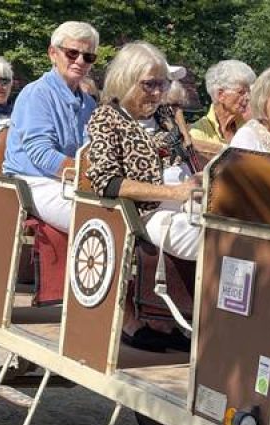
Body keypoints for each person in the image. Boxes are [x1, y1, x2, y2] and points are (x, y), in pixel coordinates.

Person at [86, 42, 200, 351]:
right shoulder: (107, 118)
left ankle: (178, 319)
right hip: (145, 213)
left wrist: (198, 179)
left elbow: (187, 156)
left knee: (233, 230)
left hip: (187, 203)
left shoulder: (166, 114)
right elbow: (106, 182)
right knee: (213, 241)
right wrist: (173, 192)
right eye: (149, 84)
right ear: (125, 79)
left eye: (162, 84)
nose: (157, 92)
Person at [3, 21, 99, 232]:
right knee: (96, 220)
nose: (80, 61)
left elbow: (93, 151)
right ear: (53, 54)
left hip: (69, 182)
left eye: (88, 56)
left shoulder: (89, 104)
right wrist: (89, 177)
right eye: (72, 53)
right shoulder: (37, 93)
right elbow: (41, 154)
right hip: (30, 182)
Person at [189, 59, 256, 154]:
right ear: (220, 95)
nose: (248, 97)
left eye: (249, 92)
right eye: (241, 92)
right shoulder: (198, 133)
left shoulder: (249, 124)